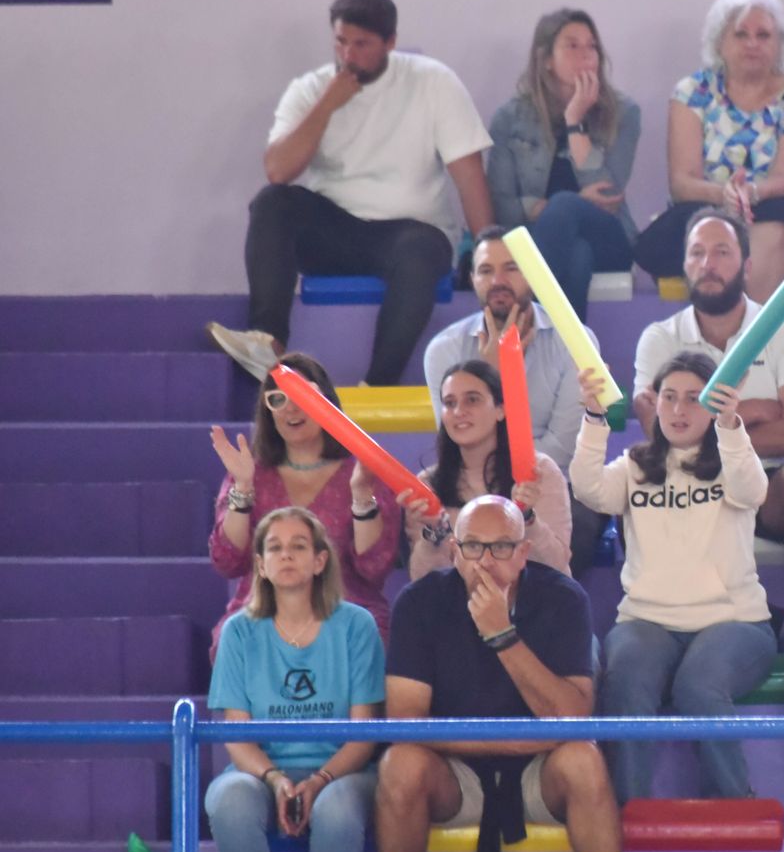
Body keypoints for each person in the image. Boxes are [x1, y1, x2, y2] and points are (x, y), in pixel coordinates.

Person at [207, 0, 493, 384]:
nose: (348, 55)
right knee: (272, 203)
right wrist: (328, 104)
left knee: (421, 251)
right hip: (335, 229)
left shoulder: (433, 82)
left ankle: (377, 385)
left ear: (389, 42)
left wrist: (490, 256)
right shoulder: (311, 89)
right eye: (341, 42)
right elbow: (278, 170)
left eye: (361, 44)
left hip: (411, 232)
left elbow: (469, 177)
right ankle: (267, 343)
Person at [376, 495, 620, 852]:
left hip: (542, 768)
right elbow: (406, 721)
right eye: (473, 546)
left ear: (523, 552)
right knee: (399, 765)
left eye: (501, 547)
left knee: (584, 761)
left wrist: (502, 635)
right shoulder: (419, 602)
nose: (486, 561)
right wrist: (514, 740)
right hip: (453, 771)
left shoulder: (563, 598)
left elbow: (574, 719)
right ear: (454, 551)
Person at [572, 355, 776, 802]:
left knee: (698, 687)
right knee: (625, 683)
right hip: (647, 621)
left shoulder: (733, 460)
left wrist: (730, 424)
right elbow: (588, 489)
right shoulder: (635, 465)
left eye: (693, 399)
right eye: (669, 397)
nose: (679, 410)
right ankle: (626, 813)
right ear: (655, 402)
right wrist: (594, 418)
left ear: (713, 405)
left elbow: (753, 490)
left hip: (735, 622)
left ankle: (734, 807)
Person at [634, 207, 784, 632]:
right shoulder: (659, 338)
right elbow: (657, 430)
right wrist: (750, 411)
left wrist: (697, 419)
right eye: (697, 253)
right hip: (687, 481)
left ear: (747, 265)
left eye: (722, 252)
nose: (708, 264)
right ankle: (656, 627)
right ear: (684, 265)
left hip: (766, 488)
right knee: (633, 474)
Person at [204, 507, 384, 852]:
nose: (286, 555)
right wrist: (275, 780)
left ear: (320, 561)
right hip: (262, 772)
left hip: (344, 773)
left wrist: (319, 780)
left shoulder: (358, 625)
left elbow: (364, 736)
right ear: (260, 565)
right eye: (275, 547)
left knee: (336, 811)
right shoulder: (237, 632)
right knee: (230, 801)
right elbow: (237, 738)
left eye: (299, 546)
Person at [424, 226, 604, 575]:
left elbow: (562, 450)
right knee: (427, 527)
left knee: (582, 523)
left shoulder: (576, 341)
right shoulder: (443, 350)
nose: (498, 281)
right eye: (486, 271)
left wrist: (517, 485)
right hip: (471, 481)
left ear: (533, 274)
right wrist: (490, 374)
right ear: (472, 280)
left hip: (550, 484)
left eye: (511, 268)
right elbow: (456, 437)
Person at [632, 0, 784, 302]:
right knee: (709, 233)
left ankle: (750, 332)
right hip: (703, 205)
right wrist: (725, 195)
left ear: (779, 45)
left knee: (772, 231)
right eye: (741, 34)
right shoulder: (692, 92)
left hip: (772, 204)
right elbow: (682, 182)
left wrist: (750, 194)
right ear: (720, 42)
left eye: (763, 35)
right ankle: (719, 329)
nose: (752, 43)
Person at [207, 352, 399, 660]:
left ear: (327, 403)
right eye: (277, 399)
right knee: (233, 641)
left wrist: (362, 494)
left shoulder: (362, 472)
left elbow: (373, 568)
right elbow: (228, 563)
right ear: (267, 411)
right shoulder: (248, 473)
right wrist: (242, 487)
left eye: (303, 395)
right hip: (263, 612)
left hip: (347, 612)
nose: (291, 408)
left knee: (362, 641)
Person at [487, 8, 640, 321]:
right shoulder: (510, 118)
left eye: (592, 46)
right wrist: (564, 205)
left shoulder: (624, 112)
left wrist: (575, 122)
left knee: (565, 206)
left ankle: (517, 325)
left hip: (608, 239)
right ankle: (565, 352)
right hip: (536, 240)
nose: (586, 55)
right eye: (572, 46)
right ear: (546, 59)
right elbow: (504, 207)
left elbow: (608, 195)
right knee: (576, 256)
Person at [401, 360, 572, 579]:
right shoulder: (428, 484)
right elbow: (422, 581)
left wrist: (527, 518)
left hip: (532, 597)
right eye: (449, 403)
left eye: (472, 400)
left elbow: (556, 566)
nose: (459, 411)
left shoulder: (538, 471)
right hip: (459, 599)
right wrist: (435, 532)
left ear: (500, 409)